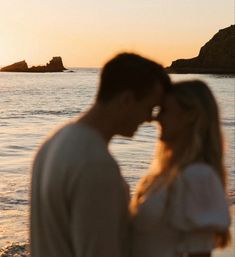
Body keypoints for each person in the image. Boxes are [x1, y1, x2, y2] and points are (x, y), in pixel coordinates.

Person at [30, 53, 171, 257]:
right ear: (127, 100)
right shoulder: (95, 164)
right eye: (149, 107)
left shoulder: (52, 143)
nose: (150, 118)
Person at [130, 80, 231, 257]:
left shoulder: (198, 176)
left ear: (190, 115)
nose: (156, 118)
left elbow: (199, 254)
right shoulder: (168, 173)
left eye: (165, 110)